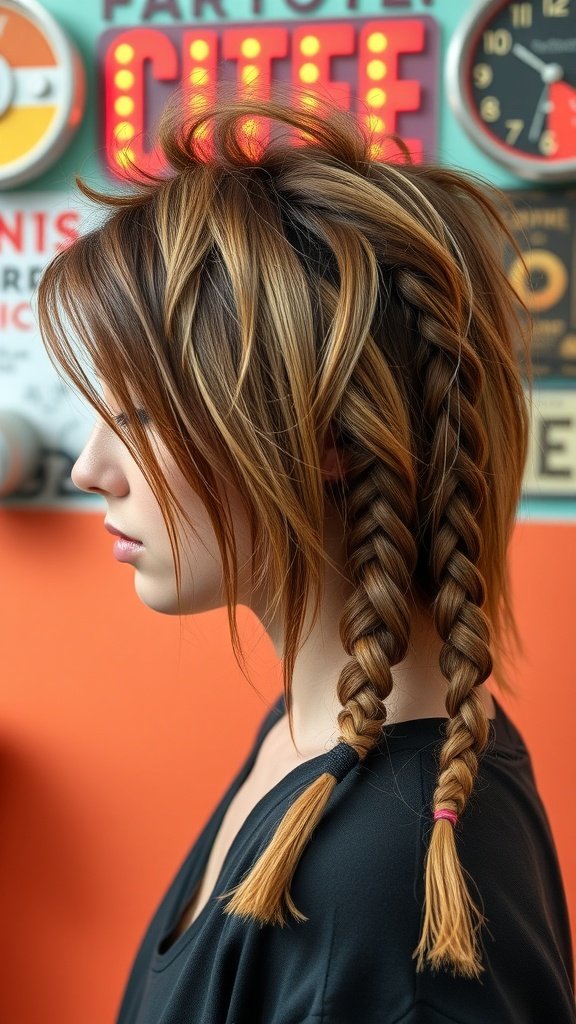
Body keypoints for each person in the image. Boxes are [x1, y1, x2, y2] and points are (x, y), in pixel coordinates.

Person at [36, 92, 576, 1023]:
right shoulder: (318, 736)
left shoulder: (387, 902)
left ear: (321, 431)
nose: (90, 469)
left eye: (135, 418)